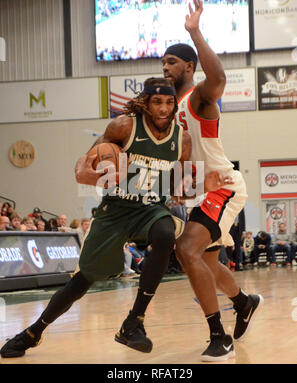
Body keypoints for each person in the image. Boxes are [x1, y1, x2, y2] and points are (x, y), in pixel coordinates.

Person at [0, 77, 230, 359]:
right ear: (145, 102)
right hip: (116, 212)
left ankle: (134, 322)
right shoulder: (124, 126)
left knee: (165, 232)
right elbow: (86, 162)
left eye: (169, 102)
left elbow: (176, 184)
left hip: (150, 209)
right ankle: (32, 333)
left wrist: (203, 184)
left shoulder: (181, 139)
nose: (164, 108)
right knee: (82, 280)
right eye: (157, 101)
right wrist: (85, 175)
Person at [162, 0, 263, 361]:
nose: (166, 67)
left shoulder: (199, 97)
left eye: (172, 61)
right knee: (204, 262)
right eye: (163, 63)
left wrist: (194, 32)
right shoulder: (171, 111)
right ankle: (243, 302)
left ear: (189, 66)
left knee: (186, 250)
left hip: (223, 186)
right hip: (200, 193)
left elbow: (218, 79)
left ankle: (219, 337)